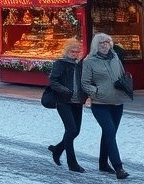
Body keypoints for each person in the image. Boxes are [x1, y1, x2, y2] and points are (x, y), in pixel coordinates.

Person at [80, 33, 129, 180]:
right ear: (96, 45)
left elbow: (121, 74)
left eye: (107, 42)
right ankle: (119, 167)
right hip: (100, 104)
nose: (104, 45)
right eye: (101, 43)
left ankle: (103, 163)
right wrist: (96, 92)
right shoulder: (89, 61)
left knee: (109, 133)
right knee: (109, 131)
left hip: (117, 102)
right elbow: (85, 83)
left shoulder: (115, 58)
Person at [47, 39, 88, 172]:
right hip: (63, 101)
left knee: (76, 131)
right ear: (67, 51)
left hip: (77, 101)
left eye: (77, 52)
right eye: (72, 51)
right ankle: (72, 164)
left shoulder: (80, 65)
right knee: (70, 130)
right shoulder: (60, 63)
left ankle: (57, 149)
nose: (74, 54)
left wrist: (85, 95)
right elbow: (53, 81)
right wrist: (65, 90)